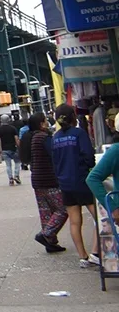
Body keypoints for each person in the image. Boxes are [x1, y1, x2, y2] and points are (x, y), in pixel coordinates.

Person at [49, 104, 100, 268]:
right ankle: (95, 253)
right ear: (73, 117)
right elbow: (89, 157)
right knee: (100, 218)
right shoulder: (79, 134)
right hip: (82, 180)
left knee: (74, 222)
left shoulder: (55, 138)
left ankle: (82, 257)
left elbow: (55, 161)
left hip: (65, 184)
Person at [28, 113, 67, 253]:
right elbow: (54, 155)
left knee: (46, 213)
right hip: (49, 179)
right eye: (45, 121)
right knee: (63, 209)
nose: (47, 123)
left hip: (37, 180)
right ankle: (47, 234)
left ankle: (51, 243)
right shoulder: (44, 138)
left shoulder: (34, 138)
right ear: (41, 124)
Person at [0, 114, 21, 186]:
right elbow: (16, 139)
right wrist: (19, 147)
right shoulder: (12, 128)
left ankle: (10, 179)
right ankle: (16, 175)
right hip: (13, 148)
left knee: (8, 165)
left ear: (1, 120)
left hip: (4, 149)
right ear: (9, 120)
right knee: (17, 162)